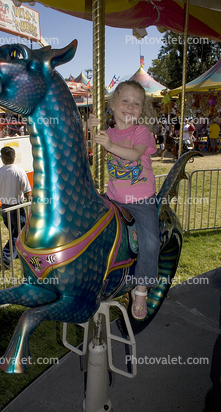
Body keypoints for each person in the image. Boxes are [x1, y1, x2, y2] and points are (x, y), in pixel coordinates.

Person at [88, 80, 160, 320]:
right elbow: (88, 150)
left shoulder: (141, 132)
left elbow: (134, 155)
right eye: (125, 101)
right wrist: (90, 130)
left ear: (142, 109)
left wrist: (108, 144)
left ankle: (141, 289)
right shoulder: (106, 134)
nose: (130, 107)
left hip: (141, 200)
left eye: (136, 103)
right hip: (114, 198)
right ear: (113, 104)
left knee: (150, 242)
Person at [0, 146, 32, 268]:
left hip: (5, 208)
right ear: (14, 158)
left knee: (14, 232)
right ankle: (7, 256)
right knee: (18, 233)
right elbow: (28, 193)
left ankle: (15, 253)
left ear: (2, 158)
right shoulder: (20, 172)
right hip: (17, 207)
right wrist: (33, 205)